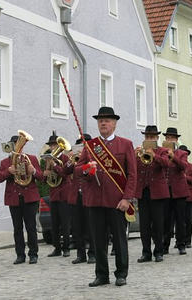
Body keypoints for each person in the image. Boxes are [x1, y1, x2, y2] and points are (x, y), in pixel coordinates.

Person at [75, 106, 137, 287]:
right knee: (98, 241)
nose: (103, 123)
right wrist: (87, 169)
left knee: (119, 240)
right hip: (95, 201)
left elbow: (132, 174)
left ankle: (121, 273)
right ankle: (102, 275)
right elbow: (78, 170)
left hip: (118, 201)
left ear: (115, 124)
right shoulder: (90, 146)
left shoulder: (125, 144)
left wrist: (127, 198)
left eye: (107, 120)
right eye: (100, 120)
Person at [0, 135, 43, 264]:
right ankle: (20, 255)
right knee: (17, 228)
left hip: (30, 198)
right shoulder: (5, 162)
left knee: (31, 227)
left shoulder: (31, 159)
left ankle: (33, 254)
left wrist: (33, 171)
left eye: (20, 144)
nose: (18, 147)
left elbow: (41, 177)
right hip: (14, 198)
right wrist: (8, 171)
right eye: (15, 145)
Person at [135, 125, 170, 263]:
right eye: (147, 137)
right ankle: (146, 252)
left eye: (152, 137)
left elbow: (166, 164)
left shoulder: (162, 151)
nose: (149, 139)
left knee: (158, 224)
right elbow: (134, 168)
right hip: (143, 191)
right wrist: (134, 155)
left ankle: (159, 251)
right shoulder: (140, 152)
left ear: (157, 138)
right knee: (144, 225)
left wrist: (154, 155)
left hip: (158, 192)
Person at [66, 134, 95, 264]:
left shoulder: (93, 154)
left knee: (91, 226)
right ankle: (80, 254)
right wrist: (70, 160)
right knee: (77, 227)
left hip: (89, 194)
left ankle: (93, 254)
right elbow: (64, 171)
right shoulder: (73, 158)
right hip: (75, 195)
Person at [43, 131, 71, 258]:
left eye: (55, 145)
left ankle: (66, 248)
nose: (53, 147)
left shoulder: (65, 159)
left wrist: (55, 165)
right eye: (52, 145)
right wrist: (46, 172)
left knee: (65, 223)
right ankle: (57, 248)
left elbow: (65, 174)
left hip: (64, 194)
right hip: (53, 194)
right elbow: (44, 180)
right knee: (54, 224)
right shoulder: (48, 159)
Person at [162, 127, 189, 255]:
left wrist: (174, 157)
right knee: (166, 220)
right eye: (167, 137)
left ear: (176, 140)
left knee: (180, 220)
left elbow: (184, 167)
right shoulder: (162, 152)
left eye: (172, 137)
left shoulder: (182, 153)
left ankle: (181, 244)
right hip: (165, 191)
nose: (169, 139)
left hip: (179, 191)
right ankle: (165, 245)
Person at [179, 145, 192, 249]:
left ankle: (188, 241)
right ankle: (179, 240)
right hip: (178, 196)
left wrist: (186, 177)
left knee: (188, 220)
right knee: (179, 220)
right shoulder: (175, 166)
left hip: (189, 197)